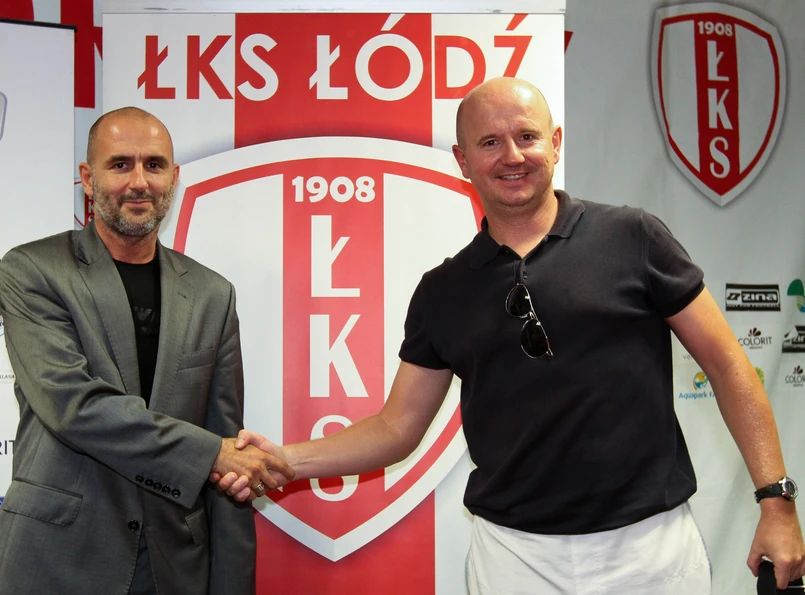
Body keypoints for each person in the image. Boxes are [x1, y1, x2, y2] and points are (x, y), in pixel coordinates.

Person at [217, 77, 805, 593]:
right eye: (490, 142)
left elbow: (728, 365)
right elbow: (396, 428)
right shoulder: (443, 289)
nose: (512, 156)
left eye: (527, 136)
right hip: (514, 559)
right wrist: (285, 459)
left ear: (556, 142)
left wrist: (776, 502)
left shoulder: (634, 237)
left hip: (649, 547)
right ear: (462, 159)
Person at [0, 107, 294, 595]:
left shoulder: (212, 295)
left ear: (173, 178)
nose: (139, 182)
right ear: (88, 179)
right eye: (120, 164)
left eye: (154, 165)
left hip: (173, 566)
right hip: (58, 560)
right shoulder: (32, 270)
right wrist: (212, 455)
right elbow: (72, 407)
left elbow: (229, 447)